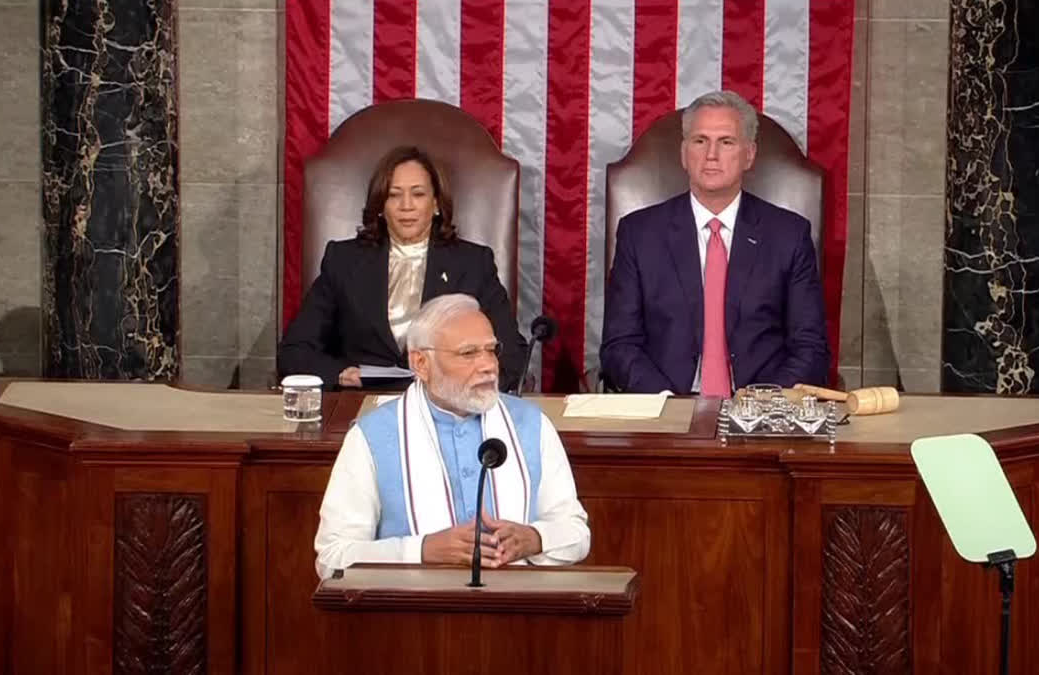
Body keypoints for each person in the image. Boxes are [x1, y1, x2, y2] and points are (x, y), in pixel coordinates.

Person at [314, 293, 590, 578]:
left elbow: (577, 535)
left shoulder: (531, 425)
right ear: (420, 363)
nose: (488, 366)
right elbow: (332, 558)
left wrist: (534, 539)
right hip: (411, 615)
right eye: (469, 353)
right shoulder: (372, 437)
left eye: (491, 350)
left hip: (516, 612)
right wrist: (421, 551)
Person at [600, 90, 830, 395]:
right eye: (700, 141)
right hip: (666, 410)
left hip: (760, 414)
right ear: (684, 154)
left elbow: (810, 348)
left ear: (749, 154)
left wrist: (763, 403)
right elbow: (620, 345)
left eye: (726, 142)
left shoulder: (788, 235)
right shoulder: (639, 233)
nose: (711, 155)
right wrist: (668, 404)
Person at [278, 146, 527, 391]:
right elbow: (295, 351)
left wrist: (461, 385)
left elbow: (512, 355)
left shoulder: (473, 263)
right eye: (394, 195)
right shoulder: (344, 261)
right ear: (380, 207)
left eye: (418, 194)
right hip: (360, 404)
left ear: (437, 203)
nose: (406, 206)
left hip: (448, 405)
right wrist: (341, 375)